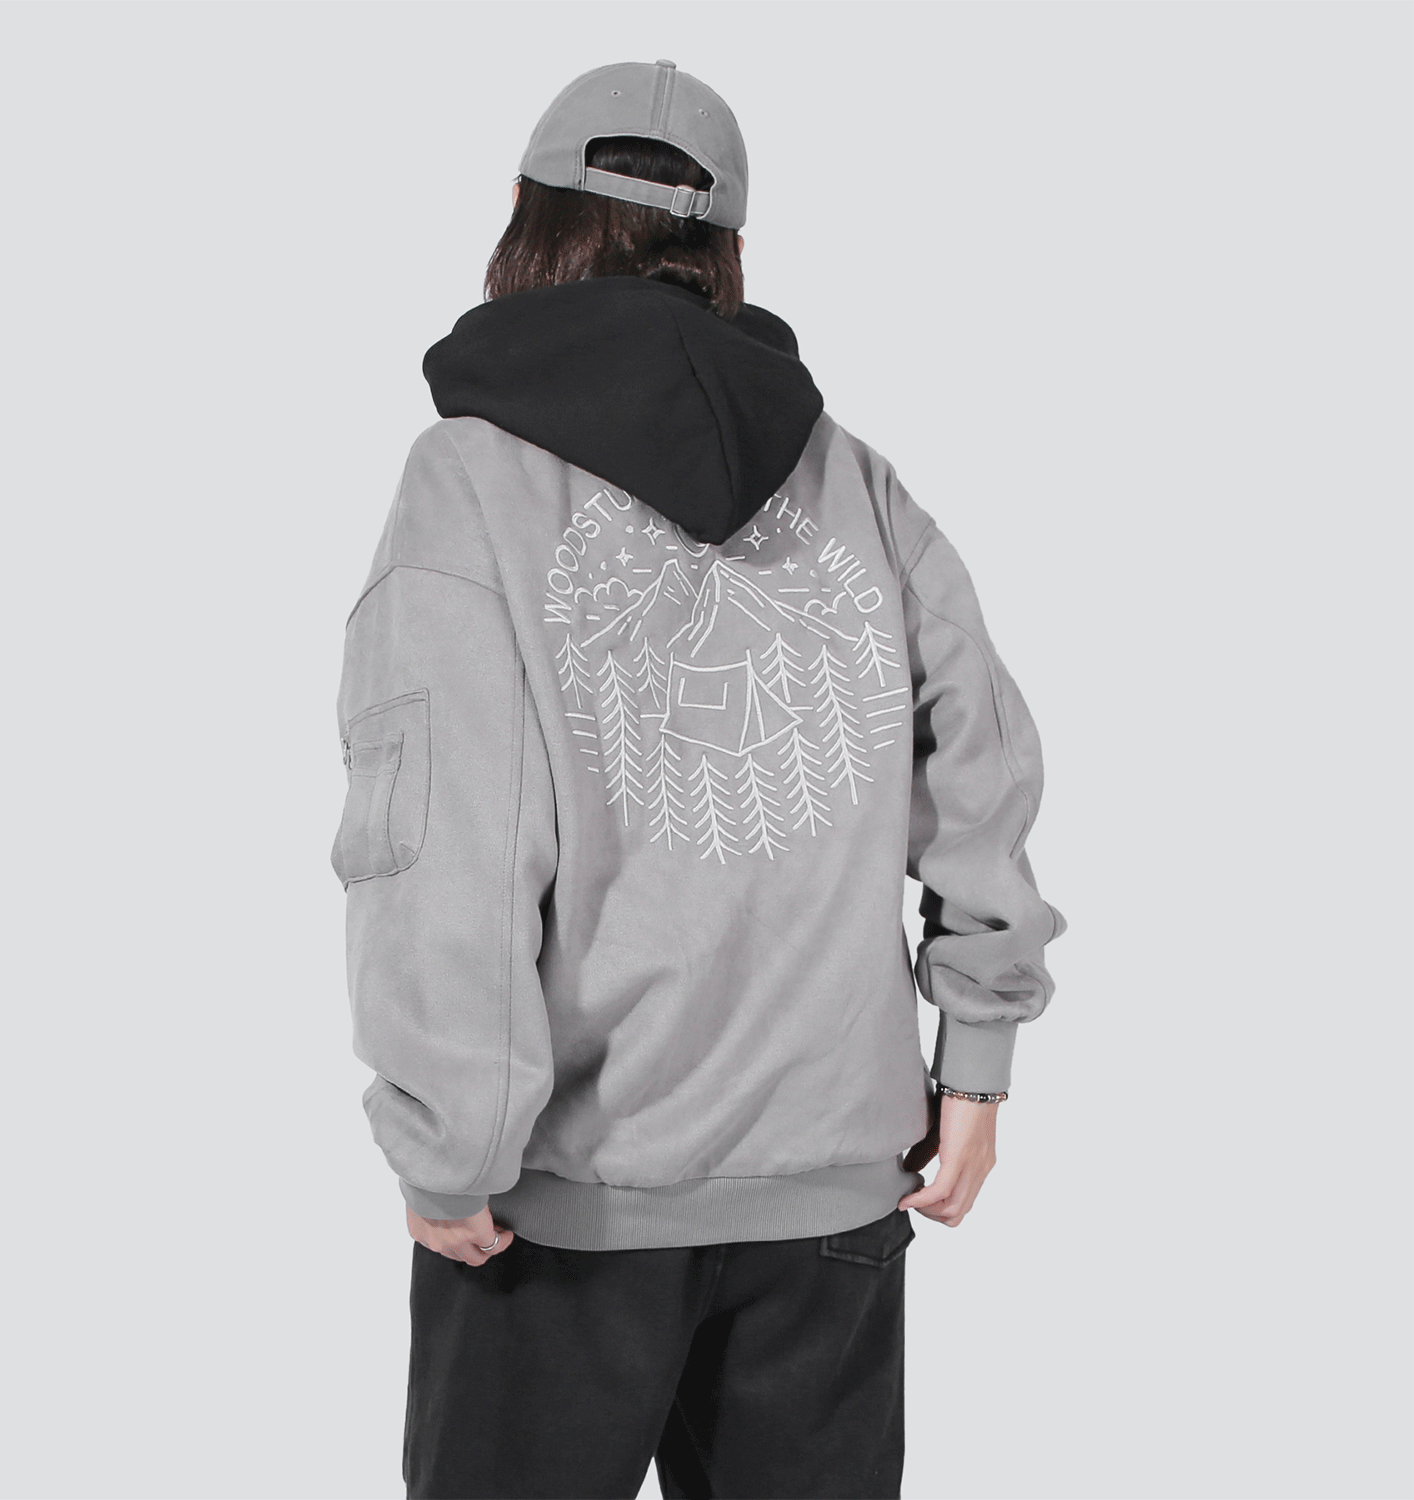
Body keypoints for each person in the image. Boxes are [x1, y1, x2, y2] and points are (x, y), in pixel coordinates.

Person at [330, 58, 1065, 1500]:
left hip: (560, 1209)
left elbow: (444, 837)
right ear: (729, 249)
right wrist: (975, 1066)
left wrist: (450, 1142)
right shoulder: (851, 479)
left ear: (525, 214)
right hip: (831, 1198)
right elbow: (978, 757)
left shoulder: (468, 481)